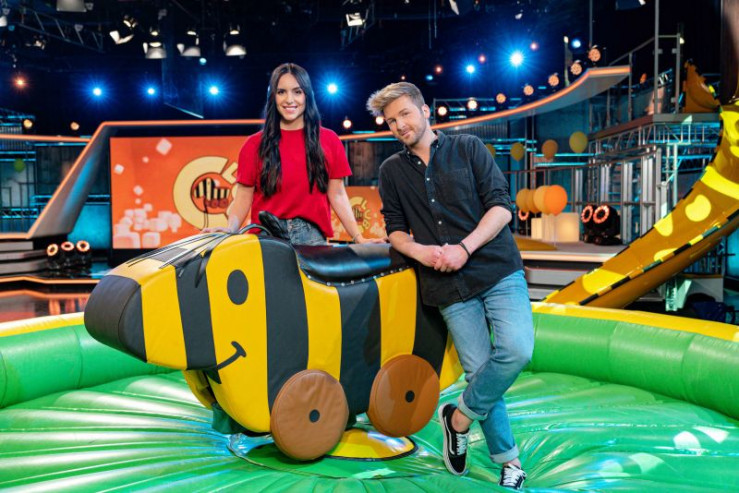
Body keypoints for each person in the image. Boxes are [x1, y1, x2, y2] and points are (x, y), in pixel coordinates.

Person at [366, 82, 534, 491]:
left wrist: (464, 248)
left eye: (405, 114)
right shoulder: (391, 171)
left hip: (496, 268)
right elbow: (395, 230)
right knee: (479, 371)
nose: (399, 125)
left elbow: (501, 208)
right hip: (445, 284)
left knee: (516, 349)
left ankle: (457, 419)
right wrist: (421, 252)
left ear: (425, 110)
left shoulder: (469, 147)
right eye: (391, 121)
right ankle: (509, 461)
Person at [205, 62, 379, 246]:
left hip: (311, 238)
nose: (289, 99)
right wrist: (231, 229)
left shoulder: (329, 140)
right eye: (281, 92)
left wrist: (358, 238)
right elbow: (243, 196)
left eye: (297, 92)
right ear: (273, 97)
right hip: (266, 237)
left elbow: (337, 194)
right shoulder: (253, 144)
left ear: (307, 95)